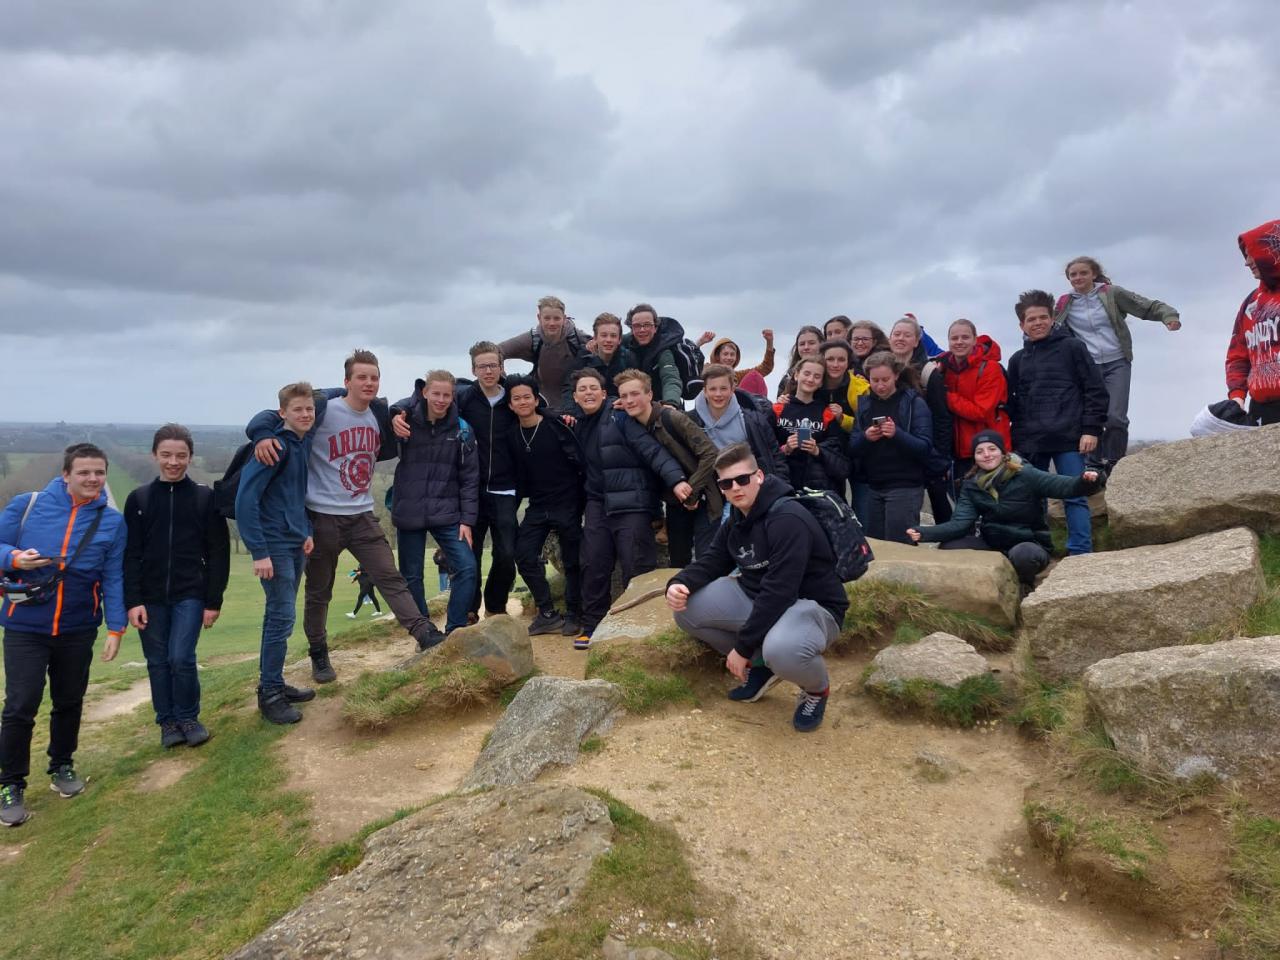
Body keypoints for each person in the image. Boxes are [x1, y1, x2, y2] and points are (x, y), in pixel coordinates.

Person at [247, 350, 443, 684]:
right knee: (319, 591)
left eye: (374, 377)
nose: (369, 383)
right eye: (361, 377)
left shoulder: (377, 414)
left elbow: (414, 405)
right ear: (346, 382)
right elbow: (273, 414)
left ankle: (424, 634)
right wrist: (263, 434)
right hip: (321, 517)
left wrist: (397, 417)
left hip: (361, 515)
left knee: (389, 576)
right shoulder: (324, 409)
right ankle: (319, 653)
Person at [665, 443, 848, 733]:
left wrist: (741, 648)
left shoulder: (787, 518)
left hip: (812, 606)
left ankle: (816, 688)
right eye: (726, 483)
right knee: (687, 611)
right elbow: (713, 560)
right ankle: (761, 667)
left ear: (759, 476)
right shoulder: (739, 517)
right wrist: (679, 583)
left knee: (782, 648)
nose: (735, 488)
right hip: (760, 598)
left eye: (742, 479)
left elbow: (780, 591)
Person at [0, 443, 127, 827]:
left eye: (99, 473)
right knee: (20, 704)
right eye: (84, 472)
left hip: (78, 626)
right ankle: (10, 784)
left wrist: (116, 627)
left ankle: (62, 765)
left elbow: (113, 576)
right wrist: (13, 558)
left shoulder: (112, 522)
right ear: (66, 474)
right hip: (25, 625)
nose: (93, 479)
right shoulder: (27, 505)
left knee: (69, 700)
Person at [124, 423, 230, 749]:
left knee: (181, 658)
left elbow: (219, 552)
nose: (173, 462)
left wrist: (213, 601)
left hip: (191, 593)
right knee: (158, 662)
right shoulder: (139, 499)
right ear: (154, 455)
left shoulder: (204, 498)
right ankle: (167, 722)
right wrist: (133, 600)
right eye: (166, 454)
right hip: (150, 597)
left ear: (190, 457)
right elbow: (130, 554)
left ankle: (188, 717)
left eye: (181, 455)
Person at [567, 368, 689, 649]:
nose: (588, 393)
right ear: (575, 397)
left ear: (604, 393)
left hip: (633, 501)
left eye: (593, 388)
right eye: (582, 389)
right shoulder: (576, 423)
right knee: (594, 563)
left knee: (637, 565)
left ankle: (638, 628)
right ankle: (593, 626)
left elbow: (652, 450)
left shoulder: (619, 416)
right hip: (598, 502)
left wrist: (677, 480)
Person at [908, 432, 1104, 588]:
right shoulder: (973, 484)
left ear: (1003, 452)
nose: (986, 454)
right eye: (980, 451)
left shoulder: (1026, 474)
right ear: (975, 458)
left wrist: (1089, 479)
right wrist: (924, 533)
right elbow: (960, 524)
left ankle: (1023, 587)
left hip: (1030, 544)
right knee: (951, 546)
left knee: (1023, 554)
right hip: (993, 545)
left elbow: (1066, 487)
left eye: (992, 449)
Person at [236, 384, 319, 724]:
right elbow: (245, 500)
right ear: (282, 413)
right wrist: (259, 552)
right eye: (298, 409)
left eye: (309, 409)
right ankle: (269, 694)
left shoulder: (300, 443)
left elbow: (295, 496)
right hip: (273, 546)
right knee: (281, 617)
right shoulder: (274, 448)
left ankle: (275, 682)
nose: (305, 414)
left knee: (279, 616)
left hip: (294, 541)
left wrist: (306, 531)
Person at [1052, 256, 1181, 468]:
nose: (1078, 277)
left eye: (1083, 273)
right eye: (1073, 274)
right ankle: (1094, 465)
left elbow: (1145, 306)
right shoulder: (1065, 302)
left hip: (1117, 362)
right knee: (1092, 417)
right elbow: (1052, 328)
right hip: (1087, 367)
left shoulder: (1111, 293)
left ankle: (1115, 463)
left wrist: (1169, 317)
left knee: (1115, 418)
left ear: (1094, 274)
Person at [1006, 290, 1109, 555]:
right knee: (1032, 499)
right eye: (1031, 319)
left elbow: (1095, 389)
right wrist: (1016, 441)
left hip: (1070, 437)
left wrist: (1091, 429)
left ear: (1053, 318)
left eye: (1043, 317)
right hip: (1031, 441)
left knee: (1075, 496)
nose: (1038, 323)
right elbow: (1013, 404)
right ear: (1021, 325)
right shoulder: (1017, 360)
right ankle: (1040, 551)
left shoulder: (1073, 348)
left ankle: (1080, 554)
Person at [389, 370, 479, 634]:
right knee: (411, 576)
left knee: (467, 567)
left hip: (448, 512)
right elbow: (386, 410)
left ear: (453, 397)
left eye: (446, 395)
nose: (441, 399)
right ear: (424, 392)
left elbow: (470, 478)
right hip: (409, 510)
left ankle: (455, 629)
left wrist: (467, 521)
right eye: (436, 393)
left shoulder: (462, 429)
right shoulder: (404, 421)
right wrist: (394, 414)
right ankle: (425, 633)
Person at [616, 369, 723, 567]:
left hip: (704, 498)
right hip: (674, 503)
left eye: (635, 394)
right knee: (678, 563)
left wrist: (692, 492)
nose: (629, 400)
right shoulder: (630, 426)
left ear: (649, 394)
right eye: (624, 396)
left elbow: (711, 454)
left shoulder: (672, 418)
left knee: (707, 562)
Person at [505, 375, 584, 637]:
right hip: (538, 505)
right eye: (517, 398)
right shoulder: (512, 435)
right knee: (524, 555)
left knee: (572, 561)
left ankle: (574, 613)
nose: (523, 402)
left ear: (536, 400)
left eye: (527, 397)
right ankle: (548, 613)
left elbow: (578, 460)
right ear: (510, 405)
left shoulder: (557, 425)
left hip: (568, 502)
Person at [454, 341, 518, 624]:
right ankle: (470, 609)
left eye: (493, 365)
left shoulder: (513, 397)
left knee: (506, 553)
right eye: (482, 366)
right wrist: (398, 411)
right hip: (472, 489)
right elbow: (425, 399)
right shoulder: (464, 399)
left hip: (506, 487)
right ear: (473, 370)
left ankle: (495, 604)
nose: (488, 371)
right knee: (471, 553)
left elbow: (540, 408)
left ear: (502, 367)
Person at [848, 352, 934, 543]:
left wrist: (897, 434)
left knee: (900, 546)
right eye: (875, 380)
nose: (880, 385)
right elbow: (852, 448)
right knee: (875, 547)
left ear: (896, 375)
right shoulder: (864, 405)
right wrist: (866, 437)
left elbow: (925, 447)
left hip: (905, 485)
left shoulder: (914, 403)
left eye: (885, 379)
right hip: (872, 486)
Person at [889, 315, 954, 523]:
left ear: (917, 341)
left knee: (939, 502)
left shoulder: (928, 372)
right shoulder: (882, 368)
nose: (901, 338)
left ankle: (951, 540)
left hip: (926, 449)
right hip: (895, 449)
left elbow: (942, 417)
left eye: (907, 335)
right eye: (897, 334)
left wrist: (941, 457)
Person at [937, 319, 1011, 483]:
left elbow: (980, 411)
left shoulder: (990, 368)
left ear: (975, 339)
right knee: (962, 496)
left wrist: (943, 394)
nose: (959, 342)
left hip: (989, 450)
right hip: (958, 451)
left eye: (965, 337)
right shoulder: (946, 368)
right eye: (954, 338)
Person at [688, 363, 787, 478]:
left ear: (732, 389)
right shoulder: (690, 422)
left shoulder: (754, 421)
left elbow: (775, 456)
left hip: (750, 484)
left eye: (723, 388)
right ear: (705, 391)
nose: (718, 394)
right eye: (713, 389)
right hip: (709, 485)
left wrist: (781, 484)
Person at [1226, 219, 1280, 425]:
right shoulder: (1250, 303)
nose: (1247, 262)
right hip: (1260, 410)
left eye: (1252, 254)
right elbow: (1238, 355)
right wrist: (1237, 397)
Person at [774, 357, 851, 496]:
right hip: (784, 484)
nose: (810, 379)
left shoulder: (826, 413)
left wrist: (817, 450)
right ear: (796, 375)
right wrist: (786, 448)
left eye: (817, 376)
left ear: (821, 383)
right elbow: (766, 448)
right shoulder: (778, 409)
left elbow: (840, 458)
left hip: (817, 487)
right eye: (807, 373)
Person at [498, 295, 586, 412]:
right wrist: (506, 383)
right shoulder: (534, 339)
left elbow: (601, 350)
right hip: (542, 406)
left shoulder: (577, 338)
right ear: (539, 318)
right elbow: (496, 351)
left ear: (564, 318)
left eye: (557, 318)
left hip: (575, 406)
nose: (552, 323)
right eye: (547, 318)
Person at [620, 304, 697, 408]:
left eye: (647, 325)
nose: (642, 330)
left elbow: (670, 378)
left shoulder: (663, 350)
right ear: (631, 329)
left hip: (661, 404)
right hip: (634, 402)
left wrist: (670, 403)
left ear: (655, 328)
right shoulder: (624, 342)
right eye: (637, 326)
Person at [574, 313, 637, 398]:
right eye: (604, 335)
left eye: (613, 336)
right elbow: (570, 389)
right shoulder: (583, 359)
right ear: (595, 338)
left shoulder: (629, 359)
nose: (608, 340)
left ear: (619, 340)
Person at [706, 330, 775, 385]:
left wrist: (769, 342)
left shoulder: (738, 377)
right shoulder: (706, 371)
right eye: (725, 354)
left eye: (732, 354)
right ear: (717, 356)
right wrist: (701, 342)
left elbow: (765, 368)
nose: (729, 357)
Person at [775, 326, 823, 398]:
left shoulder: (830, 373)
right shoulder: (788, 378)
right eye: (802, 344)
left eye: (811, 343)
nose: (806, 347)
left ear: (821, 344)